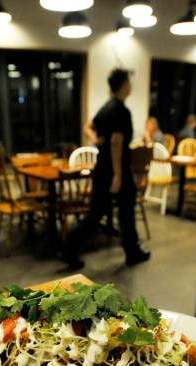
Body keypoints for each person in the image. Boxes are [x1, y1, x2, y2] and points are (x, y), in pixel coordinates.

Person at [62, 68, 150, 270]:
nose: (131, 86)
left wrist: (95, 139)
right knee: (122, 212)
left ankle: (71, 248)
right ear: (124, 85)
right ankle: (131, 251)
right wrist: (118, 175)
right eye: (129, 82)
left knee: (99, 212)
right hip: (115, 169)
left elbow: (87, 126)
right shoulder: (120, 110)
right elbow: (116, 144)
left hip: (102, 167)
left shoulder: (106, 108)